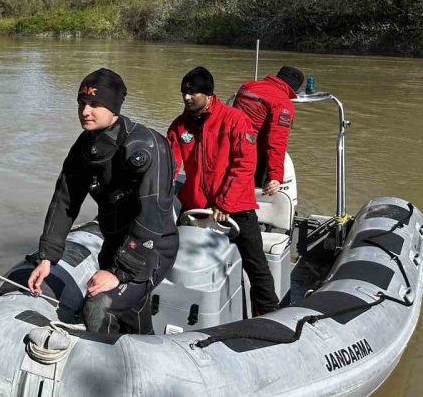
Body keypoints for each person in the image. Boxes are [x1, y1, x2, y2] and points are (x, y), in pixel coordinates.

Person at [27, 68, 179, 335]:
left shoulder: (145, 147)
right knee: (132, 314)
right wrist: (47, 258)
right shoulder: (85, 146)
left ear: (114, 108)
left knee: (99, 307)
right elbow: (65, 200)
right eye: (82, 103)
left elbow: (151, 219)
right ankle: (143, 359)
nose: (85, 111)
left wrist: (120, 273)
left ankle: (101, 375)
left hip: (151, 248)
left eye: (95, 104)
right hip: (113, 241)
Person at [166, 67, 279, 316]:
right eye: (184, 93)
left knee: (256, 266)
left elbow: (244, 166)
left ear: (208, 94)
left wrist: (223, 204)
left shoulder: (234, 120)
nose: (186, 98)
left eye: (192, 93)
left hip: (236, 208)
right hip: (195, 211)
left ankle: (269, 316)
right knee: (179, 264)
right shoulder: (178, 126)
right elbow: (170, 166)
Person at [232, 66, 304, 195]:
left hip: (227, 147)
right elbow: (277, 141)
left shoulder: (247, 86)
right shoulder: (283, 103)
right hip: (249, 156)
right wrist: (275, 177)